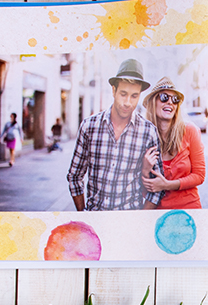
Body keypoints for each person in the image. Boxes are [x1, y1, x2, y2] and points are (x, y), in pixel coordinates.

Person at [66, 58, 163, 211]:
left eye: (134, 96)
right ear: (113, 90)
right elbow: (74, 176)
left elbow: (158, 185)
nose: (128, 103)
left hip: (129, 219)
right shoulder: (89, 126)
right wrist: (83, 214)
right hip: (96, 217)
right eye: (123, 94)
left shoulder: (148, 131)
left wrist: (140, 220)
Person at [141, 77, 206, 209]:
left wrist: (166, 185)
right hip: (158, 213)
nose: (170, 102)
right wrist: (144, 170)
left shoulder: (189, 130)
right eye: (164, 97)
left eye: (175, 99)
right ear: (153, 102)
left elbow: (199, 175)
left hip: (189, 210)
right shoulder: (143, 137)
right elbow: (140, 190)